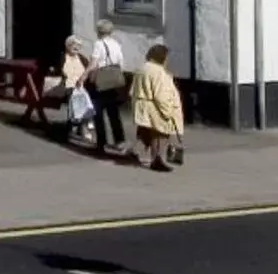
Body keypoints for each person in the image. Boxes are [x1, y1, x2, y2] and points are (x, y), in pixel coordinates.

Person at [130, 40, 186, 172]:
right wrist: (167, 111)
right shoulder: (159, 73)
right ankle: (157, 160)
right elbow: (161, 94)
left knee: (145, 131)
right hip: (155, 107)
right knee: (160, 134)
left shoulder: (142, 69)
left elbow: (133, 90)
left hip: (143, 105)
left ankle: (134, 152)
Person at [86, 18, 131, 155]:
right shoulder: (116, 44)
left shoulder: (99, 44)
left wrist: (84, 75)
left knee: (98, 112)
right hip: (113, 81)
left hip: (101, 81)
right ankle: (120, 141)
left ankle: (101, 143)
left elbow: (94, 64)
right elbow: (121, 63)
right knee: (113, 112)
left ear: (99, 31)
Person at [54, 35, 95, 146]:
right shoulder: (62, 57)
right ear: (68, 45)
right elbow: (57, 71)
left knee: (84, 99)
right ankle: (82, 127)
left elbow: (89, 72)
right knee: (78, 99)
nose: (76, 48)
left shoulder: (82, 58)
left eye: (78, 46)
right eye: (73, 45)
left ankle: (76, 127)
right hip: (67, 86)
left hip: (81, 87)